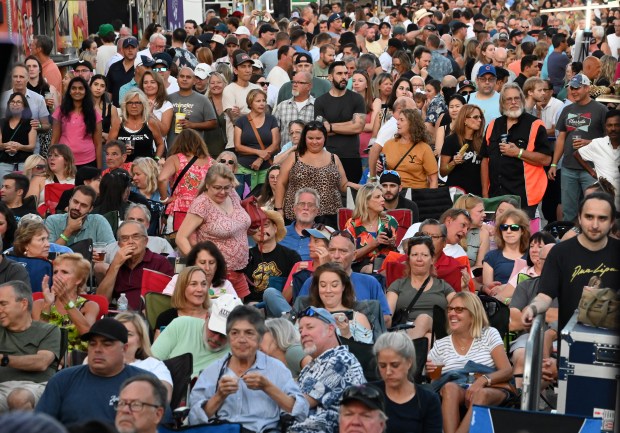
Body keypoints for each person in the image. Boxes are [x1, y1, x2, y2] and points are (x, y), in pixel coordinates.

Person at [188, 305, 309, 429]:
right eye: (235, 333)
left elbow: (301, 413)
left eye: (249, 333)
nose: (241, 340)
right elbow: (193, 420)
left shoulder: (276, 369)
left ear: (260, 338)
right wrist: (219, 396)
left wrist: (268, 387)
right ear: (229, 338)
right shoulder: (213, 371)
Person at [522, 192, 620, 338]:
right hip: (572, 343)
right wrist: (532, 308)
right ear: (579, 218)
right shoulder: (560, 252)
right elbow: (545, 296)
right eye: (589, 217)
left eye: (602, 218)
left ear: (612, 222)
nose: (594, 225)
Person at [35, 318, 157, 425]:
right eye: (92, 344)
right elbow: (41, 425)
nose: (97, 349)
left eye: (107, 344)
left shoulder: (145, 383)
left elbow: (161, 426)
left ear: (124, 349)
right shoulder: (63, 380)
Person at [427, 291, 514, 433]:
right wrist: (431, 371)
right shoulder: (441, 344)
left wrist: (482, 381)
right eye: (450, 309)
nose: (452, 314)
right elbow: (435, 382)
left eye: (459, 309)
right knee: (449, 388)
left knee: (481, 394)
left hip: (492, 388)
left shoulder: (488, 334)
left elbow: (507, 370)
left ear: (473, 315)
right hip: (458, 388)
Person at [176, 163, 251, 299]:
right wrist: (198, 264)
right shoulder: (202, 204)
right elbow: (181, 237)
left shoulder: (233, 195)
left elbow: (237, 224)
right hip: (216, 276)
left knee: (240, 315)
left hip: (240, 272)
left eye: (226, 187)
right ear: (207, 185)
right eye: (217, 188)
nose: (222, 192)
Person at [289, 306, 366, 433]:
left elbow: (300, 404)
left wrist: (268, 387)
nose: (303, 333)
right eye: (300, 330)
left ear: (330, 329)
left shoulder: (341, 360)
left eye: (310, 327)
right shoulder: (311, 365)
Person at [481, 83, 552, 218]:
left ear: (522, 100)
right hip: (496, 196)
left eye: (517, 98)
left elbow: (546, 159)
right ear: (502, 103)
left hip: (525, 196)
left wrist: (518, 153)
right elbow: (485, 159)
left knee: (521, 235)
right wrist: (485, 193)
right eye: (509, 99)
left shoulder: (535, 125)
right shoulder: (493, 125)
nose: (513, 102)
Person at [549, 74, 609, 222]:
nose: (573, 91)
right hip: (568, 167)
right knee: (568, 210)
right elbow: (561, 138)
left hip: (592, 169)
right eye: (571, 88)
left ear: (587, 88)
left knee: (593, 208)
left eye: (577, 88)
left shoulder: (601, 109)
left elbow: (610, 140)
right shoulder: (567, 109)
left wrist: (589, 142)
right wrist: (554, 163)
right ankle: (570, 241)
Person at [275, 121, 353, 228]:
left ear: (324, 138)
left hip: (329, 216)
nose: (314, 142)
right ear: (304, 138)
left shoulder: (334, 158)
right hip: (298, 214)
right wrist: (278, 209)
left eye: (318, 138)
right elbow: (281, 183)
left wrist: (363, 187)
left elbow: (344, 185)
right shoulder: (294, 157)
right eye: (310, 138)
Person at [0, 280, 60, 412]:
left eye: (3, 304)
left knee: (19, 398)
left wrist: (4, 359)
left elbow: (41, 362)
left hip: (35, 387)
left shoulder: (48, 330)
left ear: (23, 304)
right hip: (1, 388)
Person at [152, 294, 238, 378]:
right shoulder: (181, 325)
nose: (216, 338)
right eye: (214, 330)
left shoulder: (239, 352)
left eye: (224, 334)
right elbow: (150, 363)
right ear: (207, 316)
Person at [371, 332, 442, 433]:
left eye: (395, 365)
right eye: (382, 366)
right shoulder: (367, 395)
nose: (388, 372)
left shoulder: (428, 401)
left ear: (409, 362)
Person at [387, 235, 455, 338]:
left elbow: (461, 308)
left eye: (424, 255)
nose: (419, 259)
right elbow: (388, 315)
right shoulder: (398, 285)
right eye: (414, 255)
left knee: (424, 319)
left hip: (438, 330)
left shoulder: (443, 286)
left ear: (432, 259)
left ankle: (404, 351)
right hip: (404, 331)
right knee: (427, 337)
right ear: (408, 259)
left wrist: (465, 289)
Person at [97, 220, 173, 310]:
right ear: (119, 245)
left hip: (150, 317)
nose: (130, 242)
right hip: (122, 316)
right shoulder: (117, 264)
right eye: (125, 238)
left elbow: (168, 300)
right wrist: (115, 265)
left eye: (136, 237)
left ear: (146, 241)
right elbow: (101, 301)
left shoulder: (160, 263)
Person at [32, 253, 100, 352]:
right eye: (55, 272)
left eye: (64, 272)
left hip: (76, 361)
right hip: (47, 358)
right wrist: (47, 305)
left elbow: (87, 333)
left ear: (78, 279)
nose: (57, 277)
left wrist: (66, 301)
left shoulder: (90, 306)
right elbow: (37, 338)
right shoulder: (39, 304)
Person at [314, 61, 366, 184]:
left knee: (351, 198)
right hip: (328, 157)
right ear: (330, 77)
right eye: (339, 73)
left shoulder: (357, 99)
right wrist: (349, 124)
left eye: (346, 73)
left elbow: (358, 127)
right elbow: (322, 130)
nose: (344, 77)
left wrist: (331, 127)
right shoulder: (320, 101)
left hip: (351, 157)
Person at [301, 262, 374, 343]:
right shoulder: (306, 317)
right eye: (323, 285)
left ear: (343, 286)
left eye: (334, 285)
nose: (328, 290)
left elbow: (367, 353)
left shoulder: (358, 319)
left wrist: (346, 334)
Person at [159, 129, 213, 226]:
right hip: (205, 209)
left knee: (178, 239)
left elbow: (162, 179)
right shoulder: (211, 162)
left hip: (180, 209)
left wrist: (165, 199)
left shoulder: (175, 159)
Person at [244, 209, 301, 303]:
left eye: (265, 225)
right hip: (250, 309)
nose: (260, 229)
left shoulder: (291, 257)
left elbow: (296, 292)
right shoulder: (245, 256)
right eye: (256, 226)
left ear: (275, 228)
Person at [115, 313, 173, 398]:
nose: (121, 338)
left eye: (128, 334)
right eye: (116, 333)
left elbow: (163, 398)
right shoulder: (96, 363)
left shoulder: (154, 365)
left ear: (141, 341)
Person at [345, 183, 398, 273]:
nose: (383, 199)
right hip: (361, 266)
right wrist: (374, 243)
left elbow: (397, 249)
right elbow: (347, 255)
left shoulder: (390, 221)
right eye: (378, 197)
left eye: (382, 196)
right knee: (371, 269)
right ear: (366, 202)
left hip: (386, 264)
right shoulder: (352, 224)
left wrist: (392, 243)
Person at [234, 88, 281, 190]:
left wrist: (260, 158)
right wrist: (258, 152)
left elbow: (275, 144)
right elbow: (237, 146)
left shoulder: (271, 119)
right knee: (244, 199)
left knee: (263, 199)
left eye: (264, 101)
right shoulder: (241, 121)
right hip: (244, 167)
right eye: (258, 101)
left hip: (266, 167)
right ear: (250, 103)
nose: (262, 104)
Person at [51, 77, 102, 168]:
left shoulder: (93, 114)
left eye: (80, 88)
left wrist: (99, 170)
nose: (77, 91)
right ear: (69, 91)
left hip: (88, 162)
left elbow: (98, 144)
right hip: (64, 161)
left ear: (86, 91)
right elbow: (54, 140)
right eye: (74, 88)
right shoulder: (60, 111)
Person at [574, 110, 620, 211]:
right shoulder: (598, 144)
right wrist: (592, 172)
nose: (613, 129)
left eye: (617, 125)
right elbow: (577, 154)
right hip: (605, 205)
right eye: (609, 125)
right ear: (605, 127)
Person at [381, 108, 438, 189]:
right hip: (393, 192)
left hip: (416, 194)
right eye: (398, 120)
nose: (397, 123)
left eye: (401, 120)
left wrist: (431, 199)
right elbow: (383, 172)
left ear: (412, 124)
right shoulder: (389, 144)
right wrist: (378, 168)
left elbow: (433, 180)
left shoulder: (424, 148)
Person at [482, 209, 530, 300]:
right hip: (501, 303)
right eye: (504, 227)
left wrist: (506, 287)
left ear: (523, 231)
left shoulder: (531, 256)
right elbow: (490, 290)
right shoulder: (491, 257)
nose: (508, 231)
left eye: (514, 227)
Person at [45, 185, 115, 246]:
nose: (77, 208)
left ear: (90, 209)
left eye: (83, 205)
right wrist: (69, 230)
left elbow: (111, 251)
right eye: (75, 202)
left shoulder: (98, 221)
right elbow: (50, 253)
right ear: (70, 200)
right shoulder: (52, 221)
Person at [108, 88, 165, 162]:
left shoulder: (150, 122)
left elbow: (160, 144)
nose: (134, 106)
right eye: (130, 103)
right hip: (123, 168)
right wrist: (121, 149)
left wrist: (156, 159)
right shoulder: (119, 122)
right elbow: (108, 146)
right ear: (125, 105)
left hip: (145, 169)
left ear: (143, 105)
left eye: (137, 103)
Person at [163, 241, 235, 298]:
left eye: (211, 262)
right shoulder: (178, 280)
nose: (207, 268)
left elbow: (238, 310)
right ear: (193, 263)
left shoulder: (225, 285)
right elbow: (165, 303)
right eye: (202, 262)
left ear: (217, 265)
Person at [440, 104, 485, 195]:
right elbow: (443, 172)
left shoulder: (482, 142)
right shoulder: (451, 140)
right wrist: (453, 162)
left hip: (477, 192)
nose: (479, 120)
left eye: (480, 117)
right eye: (476, 117)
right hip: (456, 192)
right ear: (465, 120)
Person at [167, 66, 217, 145]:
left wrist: (192, 125)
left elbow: (213, 123)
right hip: (173, 148)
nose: (184, 79)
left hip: (195, 148)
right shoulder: (168, 98)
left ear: (194, 81)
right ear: (177, 79)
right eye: (182, 76)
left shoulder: (203, 100)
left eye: (188, 77)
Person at [155, 266, 211, 335]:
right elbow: (160, 345)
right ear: (182, 288)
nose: (200, 289)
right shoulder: (166, 318)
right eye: (193, 284)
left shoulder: (215, 317)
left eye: (204, 284)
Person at [222, 52, 261, 149]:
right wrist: (255, 114)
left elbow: (265, 116)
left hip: (257, 143)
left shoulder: (257, 89)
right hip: (235, 145)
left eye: (249, 66)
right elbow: (236, 120)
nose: (248, 70)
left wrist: (241, 113)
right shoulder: (229, 90)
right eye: (243, 66)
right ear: (235, 70)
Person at [272, 71, 315, 147]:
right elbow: (274, 133)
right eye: (294, 82)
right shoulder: (282, 106)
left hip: (310, 155)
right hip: (286, 154)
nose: (295, 85)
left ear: (309, 86)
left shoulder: (317, 105)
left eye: (299, 82)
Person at [0, 93, 37, 179]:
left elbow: (32, 146)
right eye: (12, 102)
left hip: (24, 162)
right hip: (5, 162)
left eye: (18, 102)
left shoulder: (31, 122)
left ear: (24, 106)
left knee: (24, 189)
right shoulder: (2, 122)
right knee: (4, 188)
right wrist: (7, 145)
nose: (15, 104)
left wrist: (19, 147)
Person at [452, 194, 490, 269]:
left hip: (469, 278)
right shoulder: (447, 231)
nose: (484, 214)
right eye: (480, 211)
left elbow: (480, 266)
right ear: (466, 213)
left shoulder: (483, 234)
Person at [138, 70, 173, 138]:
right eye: (145, 82)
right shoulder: (135, 102)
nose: (149, 85)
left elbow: (164, 132)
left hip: (157, 146)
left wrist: (151, 114)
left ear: (159, 84)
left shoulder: (166, 105)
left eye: (152, 82)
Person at [203, 71, 229, 157]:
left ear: (224, 84)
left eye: (219, 82)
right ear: (209, 85)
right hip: (209, 150)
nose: (215, 85)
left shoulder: (231, 102)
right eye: (212, 83)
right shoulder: (204, 103)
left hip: (229, 150)